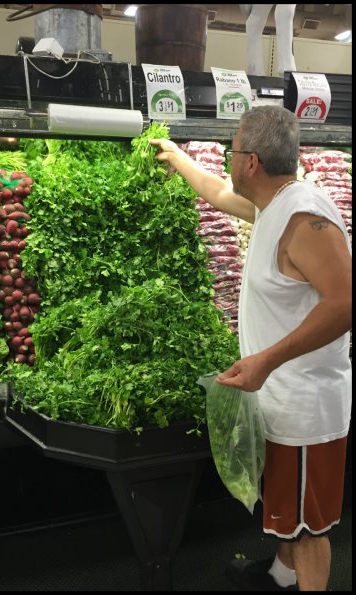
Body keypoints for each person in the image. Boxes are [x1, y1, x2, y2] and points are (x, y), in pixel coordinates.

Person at [150, 106, 351, 592]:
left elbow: (346, 303)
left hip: (305, 408)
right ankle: (282, 577)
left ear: (251, 161)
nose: (227, 159)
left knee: (309, 529)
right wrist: (177, 156)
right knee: (289, 512)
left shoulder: (304, 217)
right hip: (278, 398)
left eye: (231, 150)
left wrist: (265, 360)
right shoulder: (272, 204)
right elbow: (217, 194)